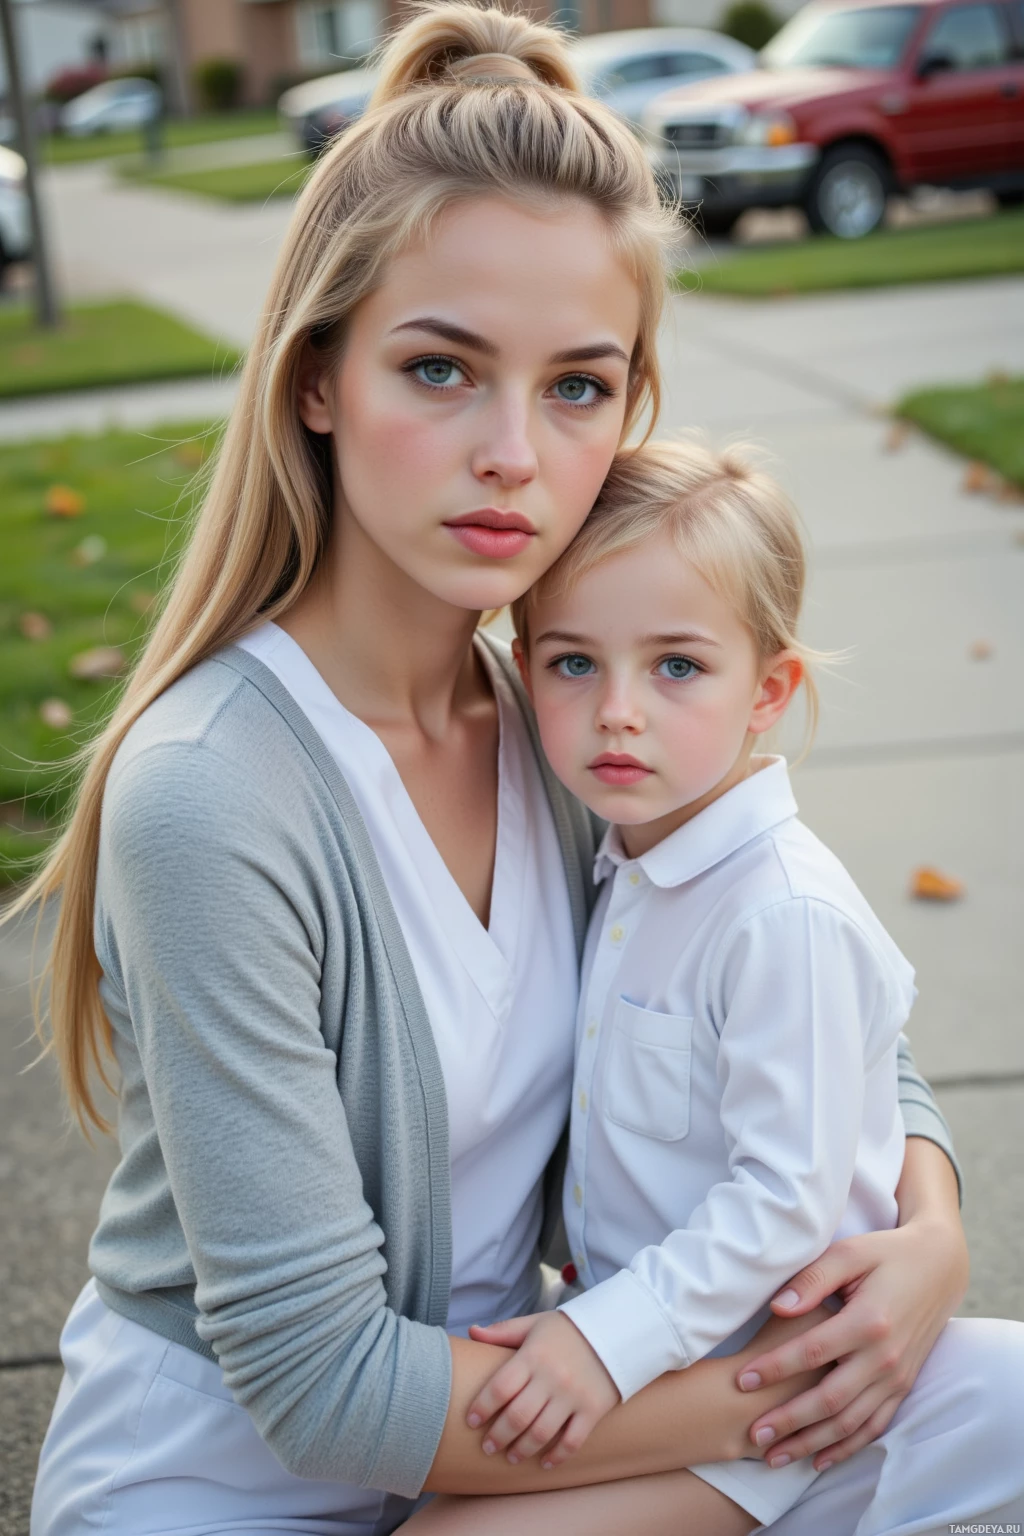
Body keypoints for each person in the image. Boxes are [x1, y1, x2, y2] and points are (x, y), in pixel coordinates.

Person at [14, 7, 1017, 1534]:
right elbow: (326, 1389)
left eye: (577, 387)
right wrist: (804, 1389)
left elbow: (818, 997)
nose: (515, 454)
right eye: (440, 369)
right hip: (252, 1479)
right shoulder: (216, 796)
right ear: (315, 380)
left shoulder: (569, 714)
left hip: (556, 1404)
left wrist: (927, 1242)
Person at [398, 443, 1024, 1536]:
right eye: (573, 663)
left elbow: (783, 1197)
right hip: (654, 1355)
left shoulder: (781, 917)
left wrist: (602, 1341)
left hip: (766, 1397)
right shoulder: (622, 859)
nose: (618, 711)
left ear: (768, 690)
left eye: (677, 666)